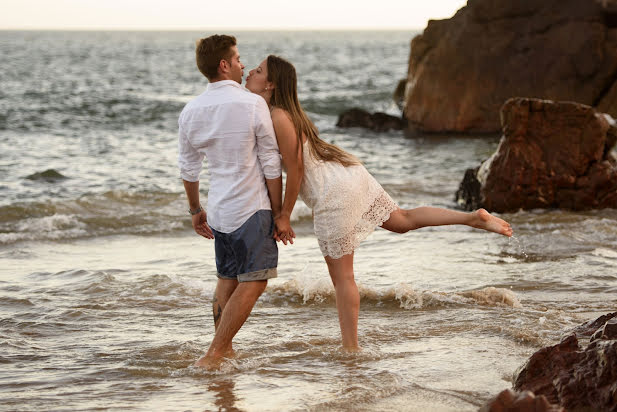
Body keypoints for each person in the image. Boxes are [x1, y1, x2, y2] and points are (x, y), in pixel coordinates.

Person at [245, 55, 513, 351]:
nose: (250, 73)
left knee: (344, 278)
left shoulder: (278, 116)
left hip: (332, 191)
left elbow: (295, 169)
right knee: (402, 220)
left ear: (270, 84)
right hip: (348, 174)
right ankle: (472, 218)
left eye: (257, 71)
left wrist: (284, 215)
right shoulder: (286, 113)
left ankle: (351, 350)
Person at [177, 35, 293, 368]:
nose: (244, 65)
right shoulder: (251, 103)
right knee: (255, 281)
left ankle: (223, 350)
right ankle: (215, 351)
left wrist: (196, 210)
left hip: (220, 211)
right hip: (251, 208)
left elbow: (188, 167)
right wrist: (279, 211)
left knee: (227, 280)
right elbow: (271, 161)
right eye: (239, 59)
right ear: (224, 64)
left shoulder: (191, 110)